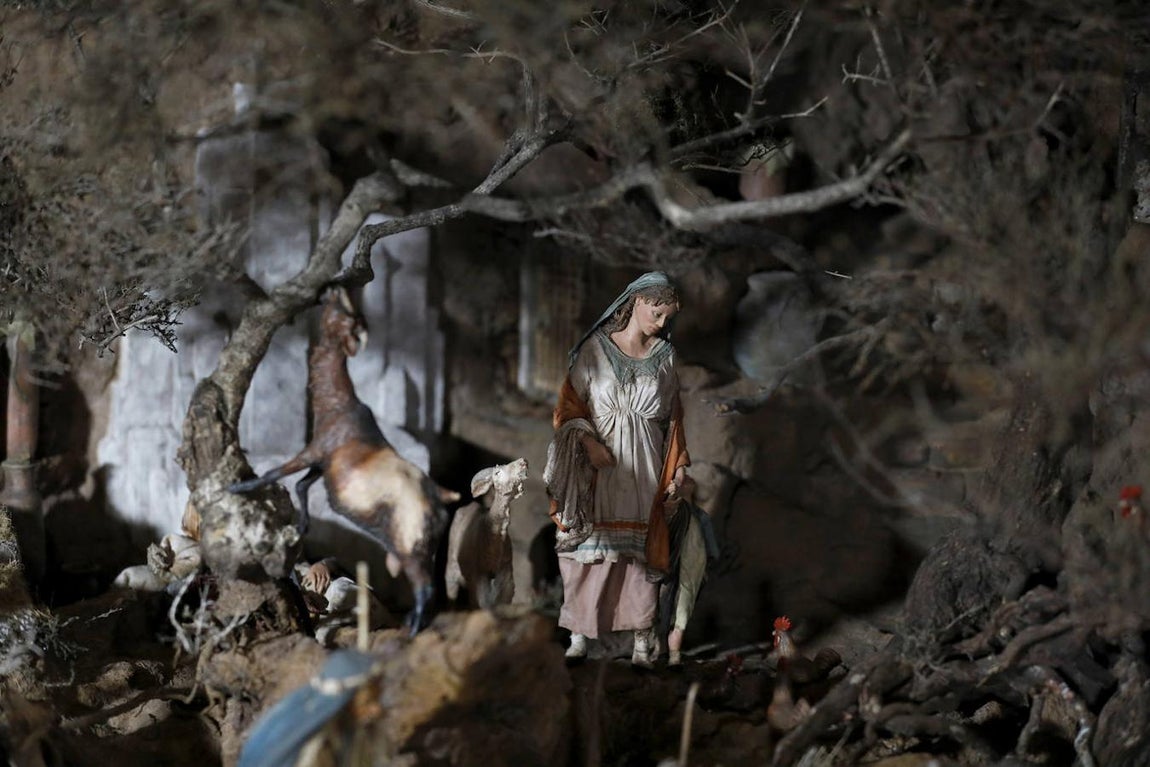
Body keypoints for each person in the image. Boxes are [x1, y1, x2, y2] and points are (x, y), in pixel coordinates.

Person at [545, 271, 690, 668]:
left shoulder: (666, 356)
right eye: (657, 313)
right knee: (586, 549)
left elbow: (673, 419)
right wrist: (588, 443)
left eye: (668, 317)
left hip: (645, 465)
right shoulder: (595, 349)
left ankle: (642, 639)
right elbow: (568, 407)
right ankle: (577, 636)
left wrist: (677, 468)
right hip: (598, 464)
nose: (661, 323)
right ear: (637, 302)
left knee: (640, 555)